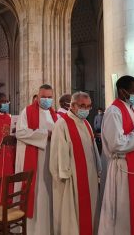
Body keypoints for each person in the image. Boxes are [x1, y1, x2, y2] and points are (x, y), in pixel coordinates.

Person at [98, 75, 134, 235]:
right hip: (122, 170)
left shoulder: (129, 109)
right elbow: (117, 143)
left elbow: (130, 133)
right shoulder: (114, 111)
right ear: (122, 91)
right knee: (122, 214)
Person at [50, 91, 101, 235]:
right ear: (72, 105)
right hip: (71, 178)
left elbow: (93, 148)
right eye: (82, 106)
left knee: (90, 210)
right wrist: (64, 175)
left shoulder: (85, 123)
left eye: (89, 106)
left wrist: (98, 167)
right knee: (72, 214)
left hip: (89, 176)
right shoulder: (62, 123)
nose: (86, 109)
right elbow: (57, 153)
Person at [15, 84, 58, 235]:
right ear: (38, 97)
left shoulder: (56, 115)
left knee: (49, 196)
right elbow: (20, 133)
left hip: (51, 162)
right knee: (37, 195)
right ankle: (33, 231)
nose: (46, 100)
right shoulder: (27, 112)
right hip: (35, 162)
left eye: (49, 97)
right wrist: (46, 134)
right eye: (44, 97)